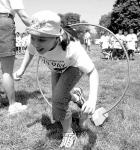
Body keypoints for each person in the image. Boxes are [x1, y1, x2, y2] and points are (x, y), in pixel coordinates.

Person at [13, 10, 99, 148]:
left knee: (58, 99)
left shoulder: (72, 49)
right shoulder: (35, 41)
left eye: (41, 39)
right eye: (33, 37)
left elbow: (93, 72)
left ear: (56, 37)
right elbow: (30, 52)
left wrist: (93, 99)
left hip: (73, 68)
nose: (35, 43)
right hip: (56, 69)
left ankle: (68, 133)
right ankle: (77, 98)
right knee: (58, 99)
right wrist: (21, 69)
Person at [0, 0, 30, 114]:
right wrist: (40, 29)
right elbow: (23, 14)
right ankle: (12, 105)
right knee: (7, 70)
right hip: (3, 22)